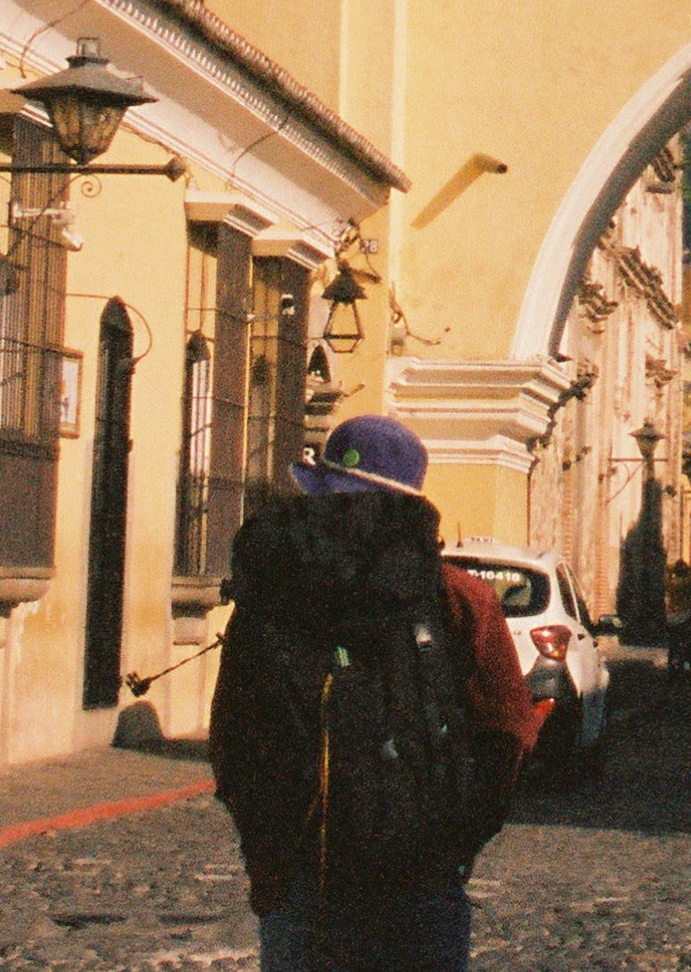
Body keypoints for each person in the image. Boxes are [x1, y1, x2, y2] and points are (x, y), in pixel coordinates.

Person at [212, 416, 544, 972]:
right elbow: (507, 730)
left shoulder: (271, 593)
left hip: (301, 870)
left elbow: (233, 734)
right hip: (419, 873)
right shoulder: (458, 597)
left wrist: (265, 852)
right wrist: (460, 841)